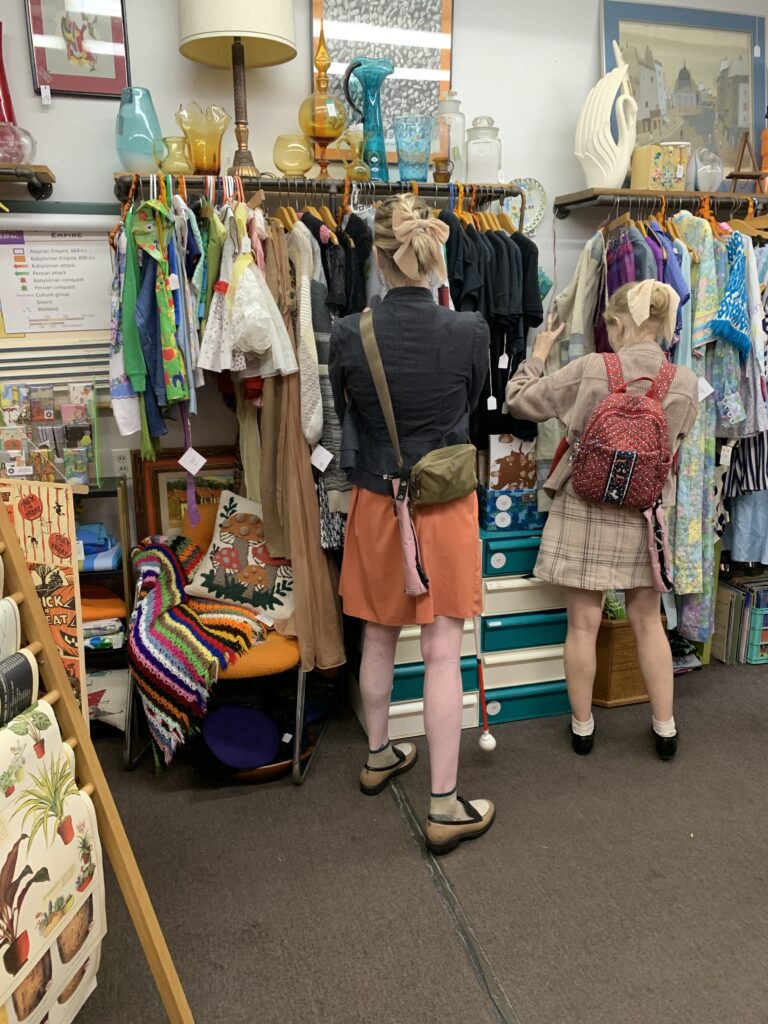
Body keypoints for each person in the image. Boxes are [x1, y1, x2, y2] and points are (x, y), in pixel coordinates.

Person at [329, 194, 495, 855]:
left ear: (378, 259)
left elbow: (349, 411)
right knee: (443, 653)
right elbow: (472, 408)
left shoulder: (347, 333)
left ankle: (377, 756)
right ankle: (445, 804)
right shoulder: (471, 331)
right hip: (446, 507)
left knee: (376, 640)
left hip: (376, 504)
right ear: (431, 257)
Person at [506, 281, 698, 760]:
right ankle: (665, 728)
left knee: (583, 626)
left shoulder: (593, 369)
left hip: (584, 509)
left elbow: (520, 400)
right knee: (649, 624)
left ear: (617, 323)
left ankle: (583, 727)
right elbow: (674, 448)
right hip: (644, 516)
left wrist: (538, 353)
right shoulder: (686, 383)